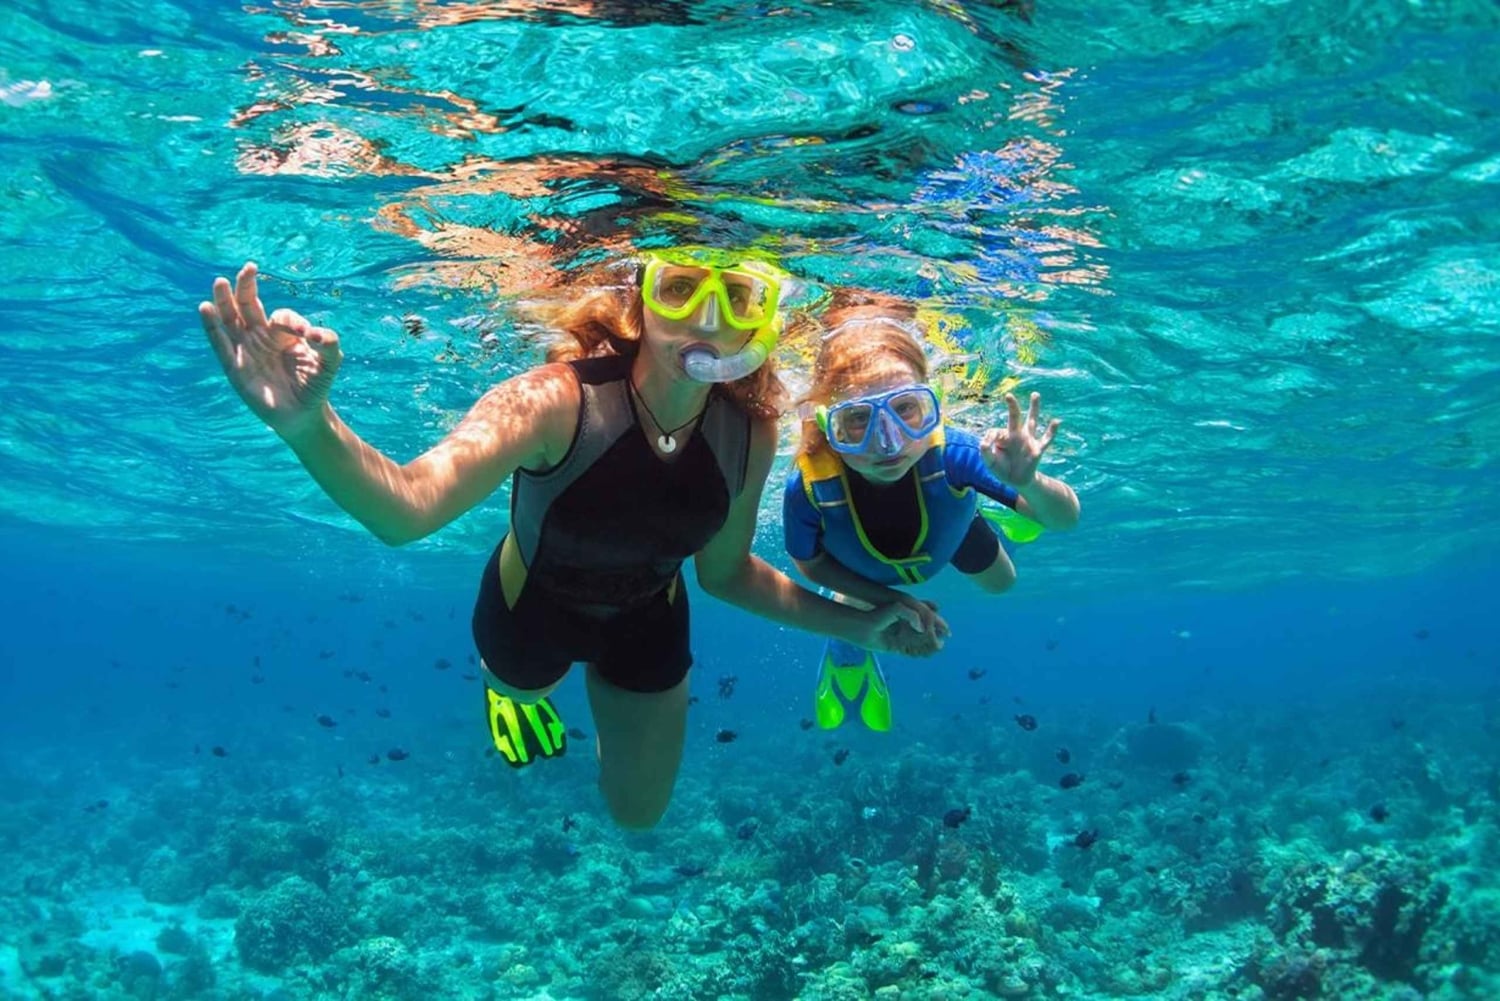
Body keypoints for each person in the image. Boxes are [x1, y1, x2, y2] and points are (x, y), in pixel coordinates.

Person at [199, 249, 943, 829]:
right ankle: (510, 692)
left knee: (638, 814)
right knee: (523, 686)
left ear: (760, 319)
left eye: (738, 297)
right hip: (532, 607)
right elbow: (407, 509)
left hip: (650, 614)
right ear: (640, 300)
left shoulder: (751, 429)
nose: (708, 321)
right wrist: (307, 425)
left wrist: (862, 624)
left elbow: (725, 575)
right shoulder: (556, 399)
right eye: (680, 289)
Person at [783, 297, 1080, 732]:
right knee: (863, 605)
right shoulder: (810, 486)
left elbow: (1066, 519)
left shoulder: (956, 453)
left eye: (906, 410)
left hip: (949, 528)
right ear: (829, 425)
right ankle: (847, 650)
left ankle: (1002, 504)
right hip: (862, 569)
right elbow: (808, 564)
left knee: (1003, 583)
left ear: (934, 406)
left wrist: (1028, 483)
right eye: (857, 420)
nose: (887, 444)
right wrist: (892, 602)